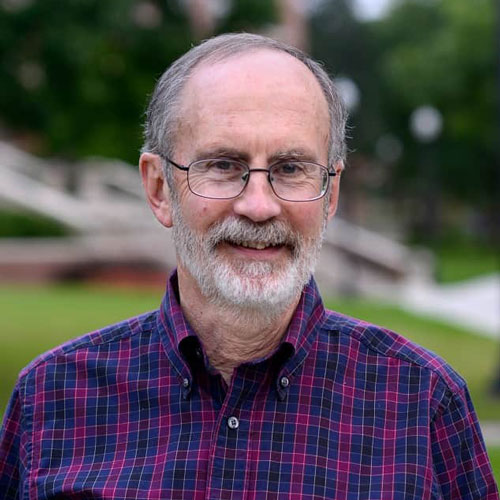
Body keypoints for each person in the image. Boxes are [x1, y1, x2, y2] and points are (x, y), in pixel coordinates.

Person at [0, 33, 498, 500]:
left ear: (330, 195)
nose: (259, 206)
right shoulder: (51, 400)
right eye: (223, 165)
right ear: (159, 188)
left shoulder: (423, 404)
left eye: (290, 168)